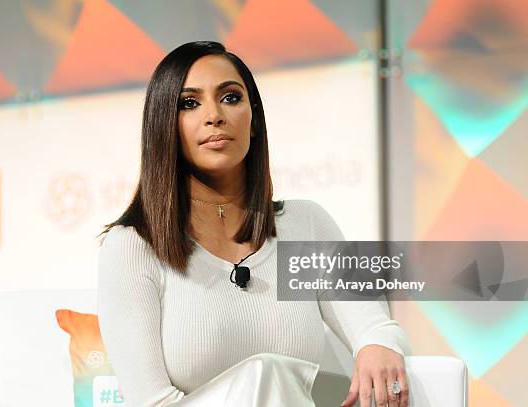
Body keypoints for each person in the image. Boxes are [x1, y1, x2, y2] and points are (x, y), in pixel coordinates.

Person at [97, 41, 410, 407]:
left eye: (230, 98)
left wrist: (377, 346)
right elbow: (150, 401)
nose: (214, 115)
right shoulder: (132, 245)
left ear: (255, 118)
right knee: (266, 372)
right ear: (165, 126)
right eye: (190, 103)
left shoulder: (305, 224)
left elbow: (375, 327)